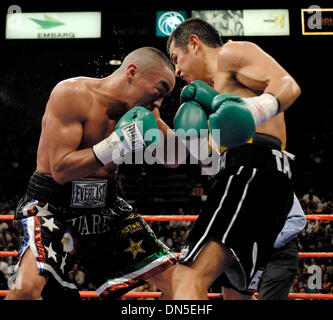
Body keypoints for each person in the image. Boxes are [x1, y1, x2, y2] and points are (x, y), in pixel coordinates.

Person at [5, 47, 178, 300]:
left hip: (105, 206)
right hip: (53, 205)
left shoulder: (147, 112)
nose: (159, 102)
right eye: (160, 90)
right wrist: (118, 143)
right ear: (132, 72)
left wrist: (192, 127)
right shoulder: (73, 94)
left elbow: (171, 159)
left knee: (183, 285)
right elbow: (61, 171)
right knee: (26, 290)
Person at [166, 18, 304, 300]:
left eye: (176, 58)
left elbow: (287, 84)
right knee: (234, 292)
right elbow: (208, 158)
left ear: (194, 43)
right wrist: (181, 137)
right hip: (253, 175)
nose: (177, 70)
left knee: (188, 275)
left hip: (252, 170)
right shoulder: (215, 97)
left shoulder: (231, 53)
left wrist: (252, 111)